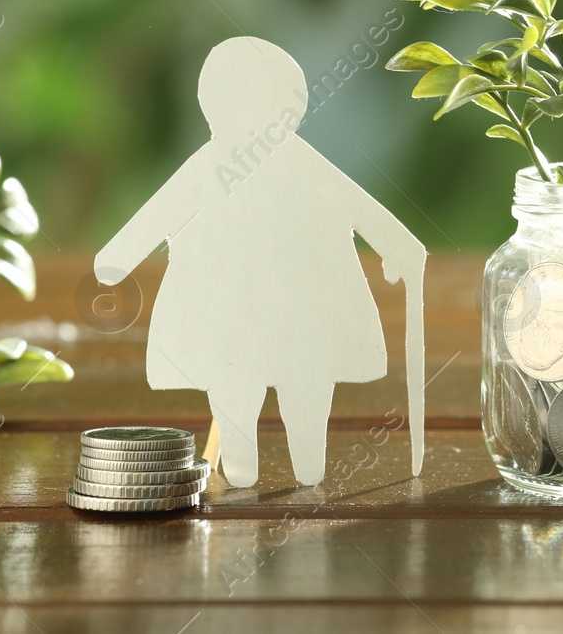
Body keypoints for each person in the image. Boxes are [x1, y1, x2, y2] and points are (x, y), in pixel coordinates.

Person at [95, 37, 426, 487]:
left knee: (286, 387)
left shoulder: (271, 164)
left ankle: (286, 469)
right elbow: (149, 223)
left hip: (291, 318)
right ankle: (259, 470)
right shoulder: (228, 166)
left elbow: (364, 212)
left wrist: (400, 246)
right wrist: (401, 247)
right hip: (246, 318)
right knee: (250, 387)